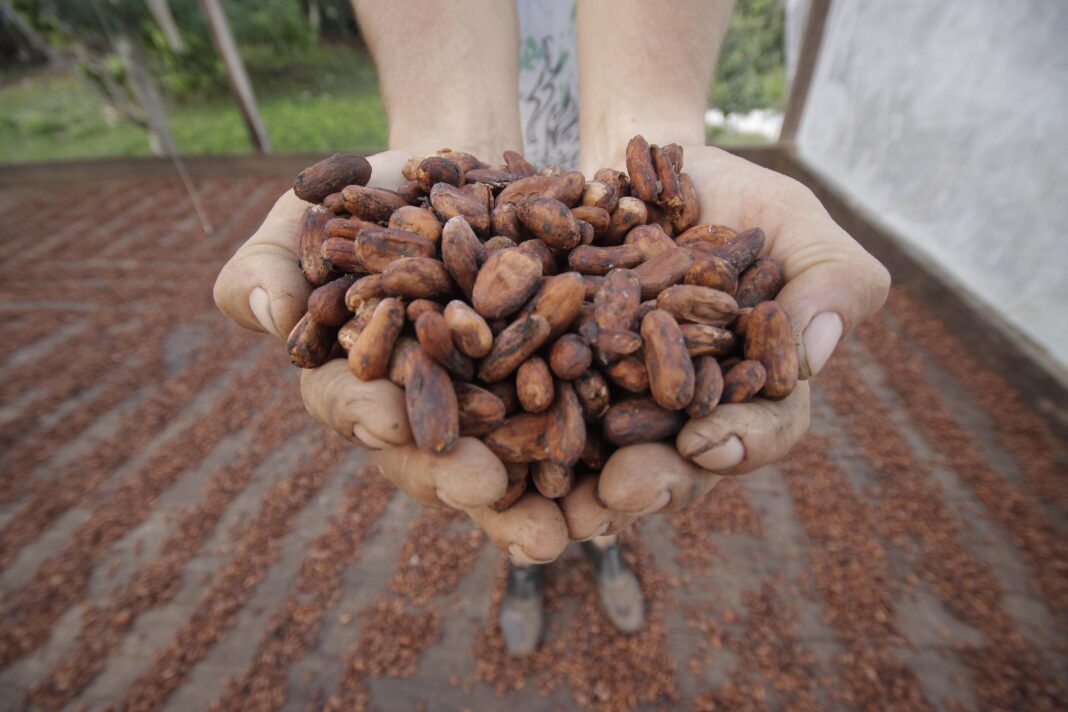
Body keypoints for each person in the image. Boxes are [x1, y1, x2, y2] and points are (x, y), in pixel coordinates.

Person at [213, 0, 890, 657]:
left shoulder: (621, 269)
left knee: (607, 463)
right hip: (488, 135)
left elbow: (611, 287)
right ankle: (530, 565)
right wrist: (443, 127)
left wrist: (648, 124)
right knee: (555, 460)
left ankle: (603, 548)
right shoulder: (467, 261)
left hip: (602, 142)